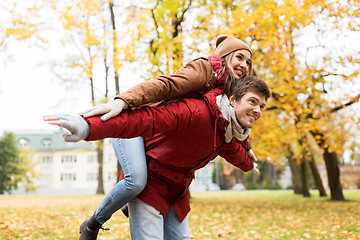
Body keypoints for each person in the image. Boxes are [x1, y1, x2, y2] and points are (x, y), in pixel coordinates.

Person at [44, 75, 271, 239]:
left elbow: (234, 153)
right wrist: (87, 127)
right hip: (148, 173)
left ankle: (125, 206)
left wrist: (249, 164)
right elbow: (143, 120)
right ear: (232, 100)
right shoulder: (196, 111)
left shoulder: (228, 134)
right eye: (252, 101)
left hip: (176, 190)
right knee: (135, 181)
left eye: (261, 106)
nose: (258, 110)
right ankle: (95, 222)